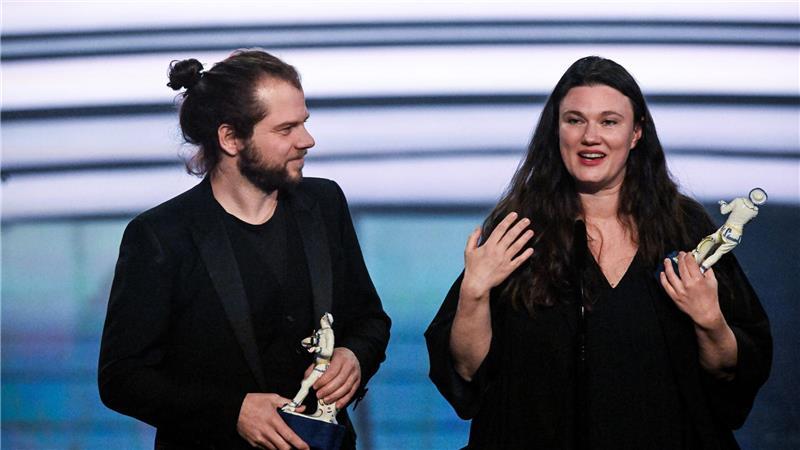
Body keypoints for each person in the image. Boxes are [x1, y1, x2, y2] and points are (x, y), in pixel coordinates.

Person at [425, 56, 771, 449]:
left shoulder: (684, 228)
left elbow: (735, 370)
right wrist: (475, 292)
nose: (591, 136)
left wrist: (710, 320)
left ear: (636, 133)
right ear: (557, 130)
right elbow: (467, 373)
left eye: (609, 121)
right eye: (575, 120)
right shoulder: (518, 228)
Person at [99, 50, 391, 450]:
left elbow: (369, 320)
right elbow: (123, 378)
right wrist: (232, 410)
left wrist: (354, 356)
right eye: (286, 129)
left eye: (304, 123)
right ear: (231, 138)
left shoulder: (324, 204)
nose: (307, 140)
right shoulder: (161, 235)